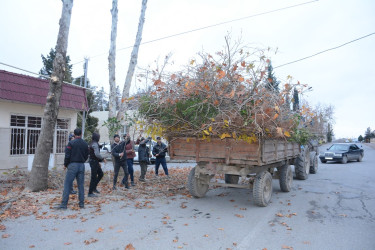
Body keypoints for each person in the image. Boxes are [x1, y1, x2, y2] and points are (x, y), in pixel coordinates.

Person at [55, 128, 88, 210]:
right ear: (81, 134)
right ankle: (81, 204)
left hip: (72, 165)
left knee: (67, 185)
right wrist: (82, 160)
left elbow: (67, 155)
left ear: (74, 134)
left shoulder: (71, 143)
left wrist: (65, 164)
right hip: (81, 165)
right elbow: (87, 155)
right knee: (81, 185)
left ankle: (63, 205)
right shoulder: (85, 143)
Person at [88, 132, 106, 197]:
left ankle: (94, 188)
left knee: (100, 174)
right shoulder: (94, 144)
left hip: (95, 161)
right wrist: (102, 159)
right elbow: (97, 154)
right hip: (93, 162)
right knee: (93, 177)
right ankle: (90, 192)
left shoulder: (93, 143)